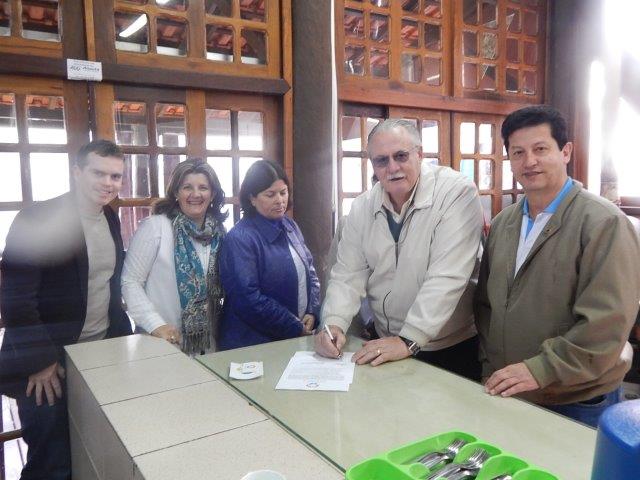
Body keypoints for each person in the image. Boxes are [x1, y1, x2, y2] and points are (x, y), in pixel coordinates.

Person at [474, 105, 640, 427]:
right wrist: (489, 361)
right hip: (510, 385)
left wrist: (541, 369)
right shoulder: (504, 222)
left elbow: (606, 324)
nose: (529, 161)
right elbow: (485, 305)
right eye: (518, 152)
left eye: (540, 149)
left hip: (575, 397)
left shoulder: (604, 223)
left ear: (565, 152)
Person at [0, 140, 132, 479]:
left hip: (97, 355)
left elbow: (107, 285)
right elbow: (15, 299)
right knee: (51, 462)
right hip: (47, 365)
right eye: (98, 173)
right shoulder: (38, 218)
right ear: (77, 172)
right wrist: (41, 362)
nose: (108, 183)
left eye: (115, 176)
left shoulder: (109, 217)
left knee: (89, 452)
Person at [316, 119, 484, 381]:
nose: (392, 168)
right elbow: (347, 274)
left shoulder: (456, 193)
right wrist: (333, 323)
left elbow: (447, 277)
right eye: (381, 160)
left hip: (448, 347)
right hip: (387, 343)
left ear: (420, 154)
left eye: (401, 156)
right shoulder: (362, 207)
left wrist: (409, 339)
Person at [122, 158, 226, 355]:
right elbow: (130, 281)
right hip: (160, 341)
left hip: (207, 344)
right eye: (187, 187)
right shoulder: (155, 227)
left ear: (212, 194)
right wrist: (155, 324)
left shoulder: (219, 232)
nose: (196, 194)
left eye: (203, 188)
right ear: (176, 192)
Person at [218, 160, 320, 350]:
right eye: (270, 194)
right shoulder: (240, 238)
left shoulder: (290, 225)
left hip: (294, 336)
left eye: (283, 192)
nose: (280, 200)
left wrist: (312, 311)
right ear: (252, 198)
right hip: (252, 344)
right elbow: (248, 299)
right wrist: (293, 325)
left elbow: (310, 272)